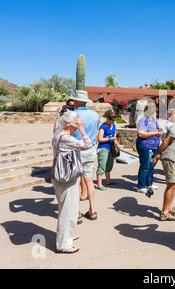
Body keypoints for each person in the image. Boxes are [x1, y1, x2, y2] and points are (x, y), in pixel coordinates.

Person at [52, 110, 92, 253]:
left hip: (60, 176)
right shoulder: (66, 138)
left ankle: (67, 235)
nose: (79, 124)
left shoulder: (58, 132)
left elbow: (57, 125)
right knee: (68, 211)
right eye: (77, 122)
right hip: (66, 178)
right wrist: (82, 130)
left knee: (68, 208)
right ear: (68, 123)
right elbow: (88, 145)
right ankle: (64, 244)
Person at [69, 90, 100, 222]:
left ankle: (77, 213)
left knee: (75, 182)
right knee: (89, 179)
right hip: (90, 149)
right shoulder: (95, 115)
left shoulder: (72, 115)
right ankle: (92, 210)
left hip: (76, 150)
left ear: (76, 101)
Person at [151, 109, 175, 221]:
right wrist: (158, 154)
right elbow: (166, 141)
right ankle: (164, 213)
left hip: (173, 157)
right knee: (171, 184)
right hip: (170, 157)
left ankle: (169, 207)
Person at [136, 104, 162, 193]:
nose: (156, 113)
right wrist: (155, 133)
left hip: (153, 146)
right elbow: (141, 133)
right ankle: (141, 186)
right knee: (145, 166)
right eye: (155, 111)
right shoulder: (144, 120)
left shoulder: (153, 120)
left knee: (151, 165)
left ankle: (149, 184)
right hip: (145, 146)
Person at [95, 110, 118, 190]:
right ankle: (99, 184)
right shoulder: (103, 127)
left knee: (109, 165)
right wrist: (109, 138)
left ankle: (108, 181)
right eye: (112, 120)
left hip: (110, 147)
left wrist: (114, 138)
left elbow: (114, 133)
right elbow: (100, 139)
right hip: (103, 147)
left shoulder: (113, 125)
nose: (113, 122)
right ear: (108, 118)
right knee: (102, 165)